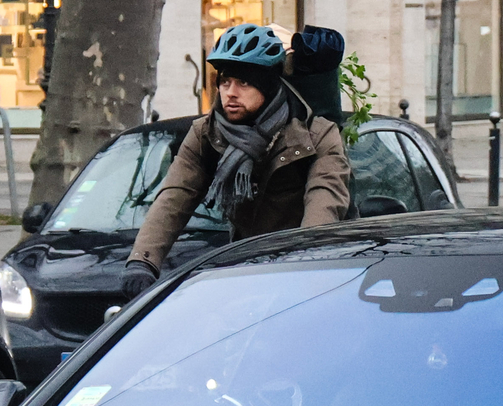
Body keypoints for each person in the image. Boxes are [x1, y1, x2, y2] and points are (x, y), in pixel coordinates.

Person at [122, 24, 352, 296]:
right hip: (246, 269)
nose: (230, 92)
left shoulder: (316, 134)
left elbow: (324, 200)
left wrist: (305, 262)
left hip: (310, 270)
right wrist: (143, 260)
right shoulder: (207, 133)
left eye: (244, 82)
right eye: (225, 81)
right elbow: (176, 195)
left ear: (267, 86)